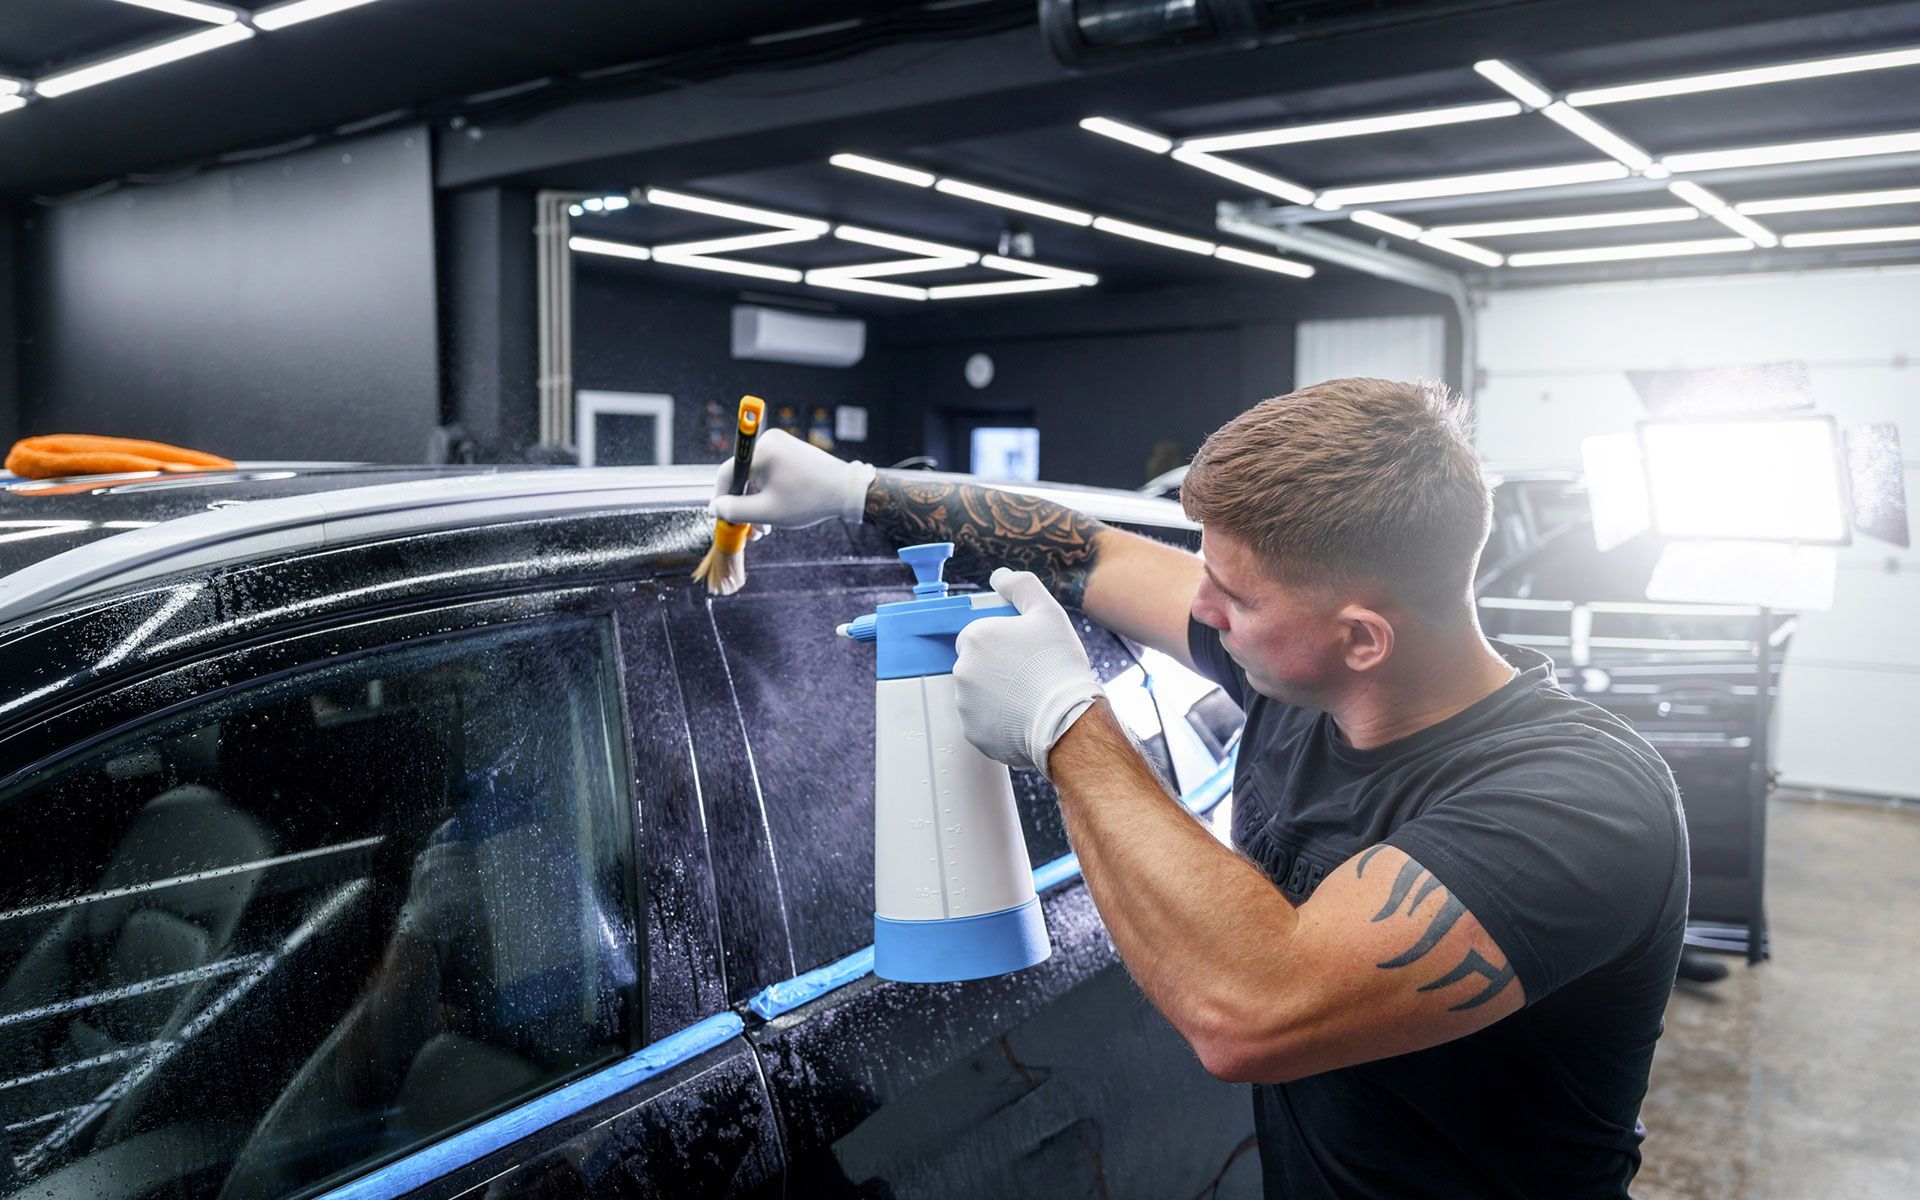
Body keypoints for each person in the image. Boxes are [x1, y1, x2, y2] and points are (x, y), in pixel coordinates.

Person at [712, 378, 1688, 1200]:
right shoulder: (1308, 672)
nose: (1200, 605)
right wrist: (859, 489)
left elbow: (1251, 1006)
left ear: (1362, 638)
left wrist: (1066, 722)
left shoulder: (1580, 804)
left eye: (1237, 595)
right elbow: (1086, 552)